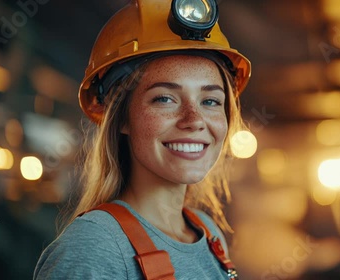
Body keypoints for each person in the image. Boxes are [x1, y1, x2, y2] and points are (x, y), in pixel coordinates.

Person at [34, 0, 251, 279]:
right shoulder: (95, 248)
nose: (194, 120)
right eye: (164, 98)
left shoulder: (209, 235)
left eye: (210, 101)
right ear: (122, 118)